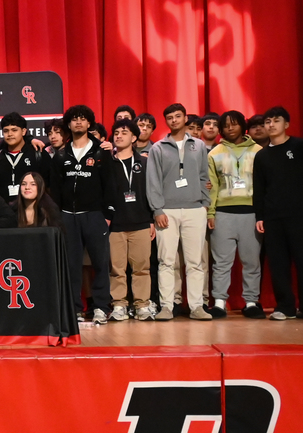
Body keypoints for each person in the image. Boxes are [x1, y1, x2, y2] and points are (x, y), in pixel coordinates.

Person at [253, 106, 303, 321]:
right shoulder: (261, 156)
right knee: (278, 263)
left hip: (298, 213)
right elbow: (259, 188)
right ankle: (285, 307)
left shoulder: (300, 146)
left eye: (276, 121)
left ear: (286, 124)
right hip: (272, 216)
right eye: (267, 122)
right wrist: (260, 215)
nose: (271, 125)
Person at [146, 103, 211, 321]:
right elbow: (153, 182)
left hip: (195, 209)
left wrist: (205, 204)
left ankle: (196, 306)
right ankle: (166, 306)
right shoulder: (158, 148)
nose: (174, 120)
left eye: (177, 116)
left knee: (194, 262)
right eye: (170, 118)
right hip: (167, 212)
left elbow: (204, 176)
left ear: (185, 118)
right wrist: (157, 209)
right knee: (166, 261)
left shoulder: (199, 145)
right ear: (166, 121)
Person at [49, 105, 113, 325]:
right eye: (74, 119)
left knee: (100, 263)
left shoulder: (102, 151)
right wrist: (57, 216)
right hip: (68, 216)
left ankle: (102, 307)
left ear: (89, 123)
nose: (78, 122)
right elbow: (54, 189)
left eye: (83, 119)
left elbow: (110, 185)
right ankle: (75, 309)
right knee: (72, 265)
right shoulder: (60, 154)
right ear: (68, 124)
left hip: (95, 215)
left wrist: (107, 214)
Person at [206, 111, 264, 319]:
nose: (230, 128)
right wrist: (210, 213)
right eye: (226, 125)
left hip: (251, 212)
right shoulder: (214, 153)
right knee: (221, 262)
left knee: (251, 261)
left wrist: (262, 214)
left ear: (243, 126)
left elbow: (264, 186)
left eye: (235, 124)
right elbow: (211, 187)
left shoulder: (259, 151)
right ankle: (220, 302)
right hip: (223, 213)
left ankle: (251, 302)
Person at [105, 119, 155, 321]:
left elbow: (151, 192)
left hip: (141, 222)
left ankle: (142, 304)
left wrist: (152, 218)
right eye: (116, 132)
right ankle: (119, 305)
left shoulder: (144, 162)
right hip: (115, 224)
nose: (119, 136)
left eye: (124, 132)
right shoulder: (108, 163)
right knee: (116, 269)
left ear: (134, 137)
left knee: (142, 268)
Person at [0, 112, 51, 203]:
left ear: (23, 131)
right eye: (6, 131)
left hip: (33, 209)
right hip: (4, 211)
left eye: (14, 130)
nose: (10, 134)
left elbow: (49, 185)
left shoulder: (38, 154)